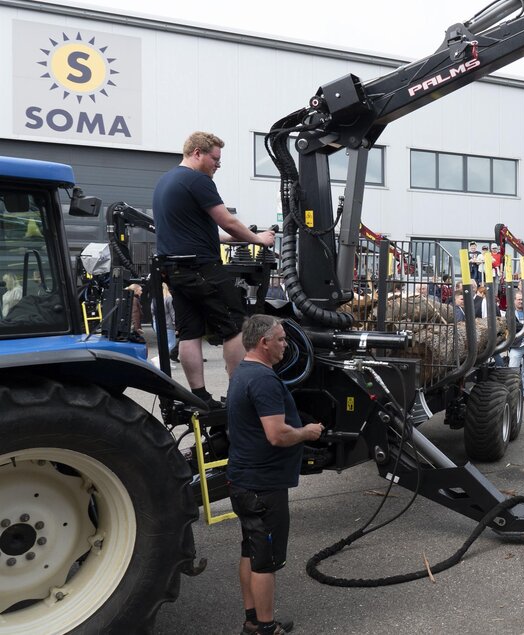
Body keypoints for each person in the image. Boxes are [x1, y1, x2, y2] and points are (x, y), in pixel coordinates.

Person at [154, 132, 276, 409]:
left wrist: (241, 236)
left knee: (189, 332)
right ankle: (237, 397)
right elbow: (227, 221)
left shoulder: (166, 181)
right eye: (215, 159)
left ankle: (200, 396)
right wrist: (259, 239)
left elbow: (205, 233)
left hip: (176, 271)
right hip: (202, 268)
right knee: (235, 327)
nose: (218, 165)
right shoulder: (198, 180)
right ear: (198, 152)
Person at [226, 315, 323, 635]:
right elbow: (277, 434)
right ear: (264, 342)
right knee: (265, 561)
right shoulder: (265, 381)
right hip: (263, 487)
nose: (286, 344)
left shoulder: (243, 372)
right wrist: (307, 432)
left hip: (244, 481)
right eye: (281, 339)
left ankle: (252, 620)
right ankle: (267, 628)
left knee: (250, 551)